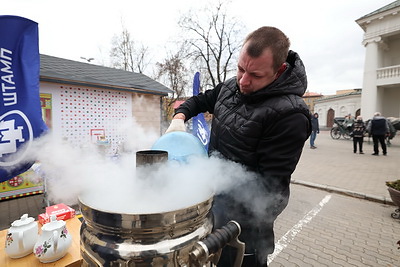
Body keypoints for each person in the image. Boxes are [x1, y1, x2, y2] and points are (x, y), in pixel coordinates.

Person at [166, 26, 311, 266]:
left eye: (255, 75)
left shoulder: (290, 115)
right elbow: (202, 100)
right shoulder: (231, 87)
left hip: (246, 230)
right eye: (241, 68)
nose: (243, 80)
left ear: (280, 70)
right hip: (214, 212)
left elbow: (268, 190)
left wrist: (222, 214)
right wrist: (180, 116)